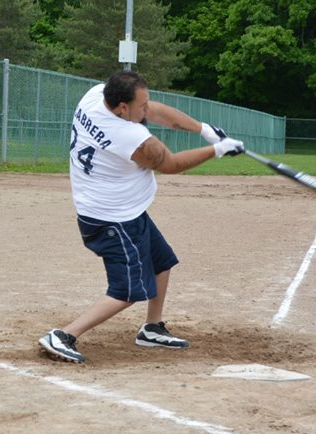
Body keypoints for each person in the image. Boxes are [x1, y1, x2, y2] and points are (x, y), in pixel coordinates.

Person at [38, 70, 245, 364]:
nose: (147, 110)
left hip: (123, 209)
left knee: (162, 263)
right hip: (111, 219)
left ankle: (152, 328)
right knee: (128, 290)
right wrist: (217, 149)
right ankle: (63, 335)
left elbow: (157, 111)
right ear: (123, 107)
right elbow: (170, 164)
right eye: (141, 106)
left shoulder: (96, 95)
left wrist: (202, 128)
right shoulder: (128, 136)